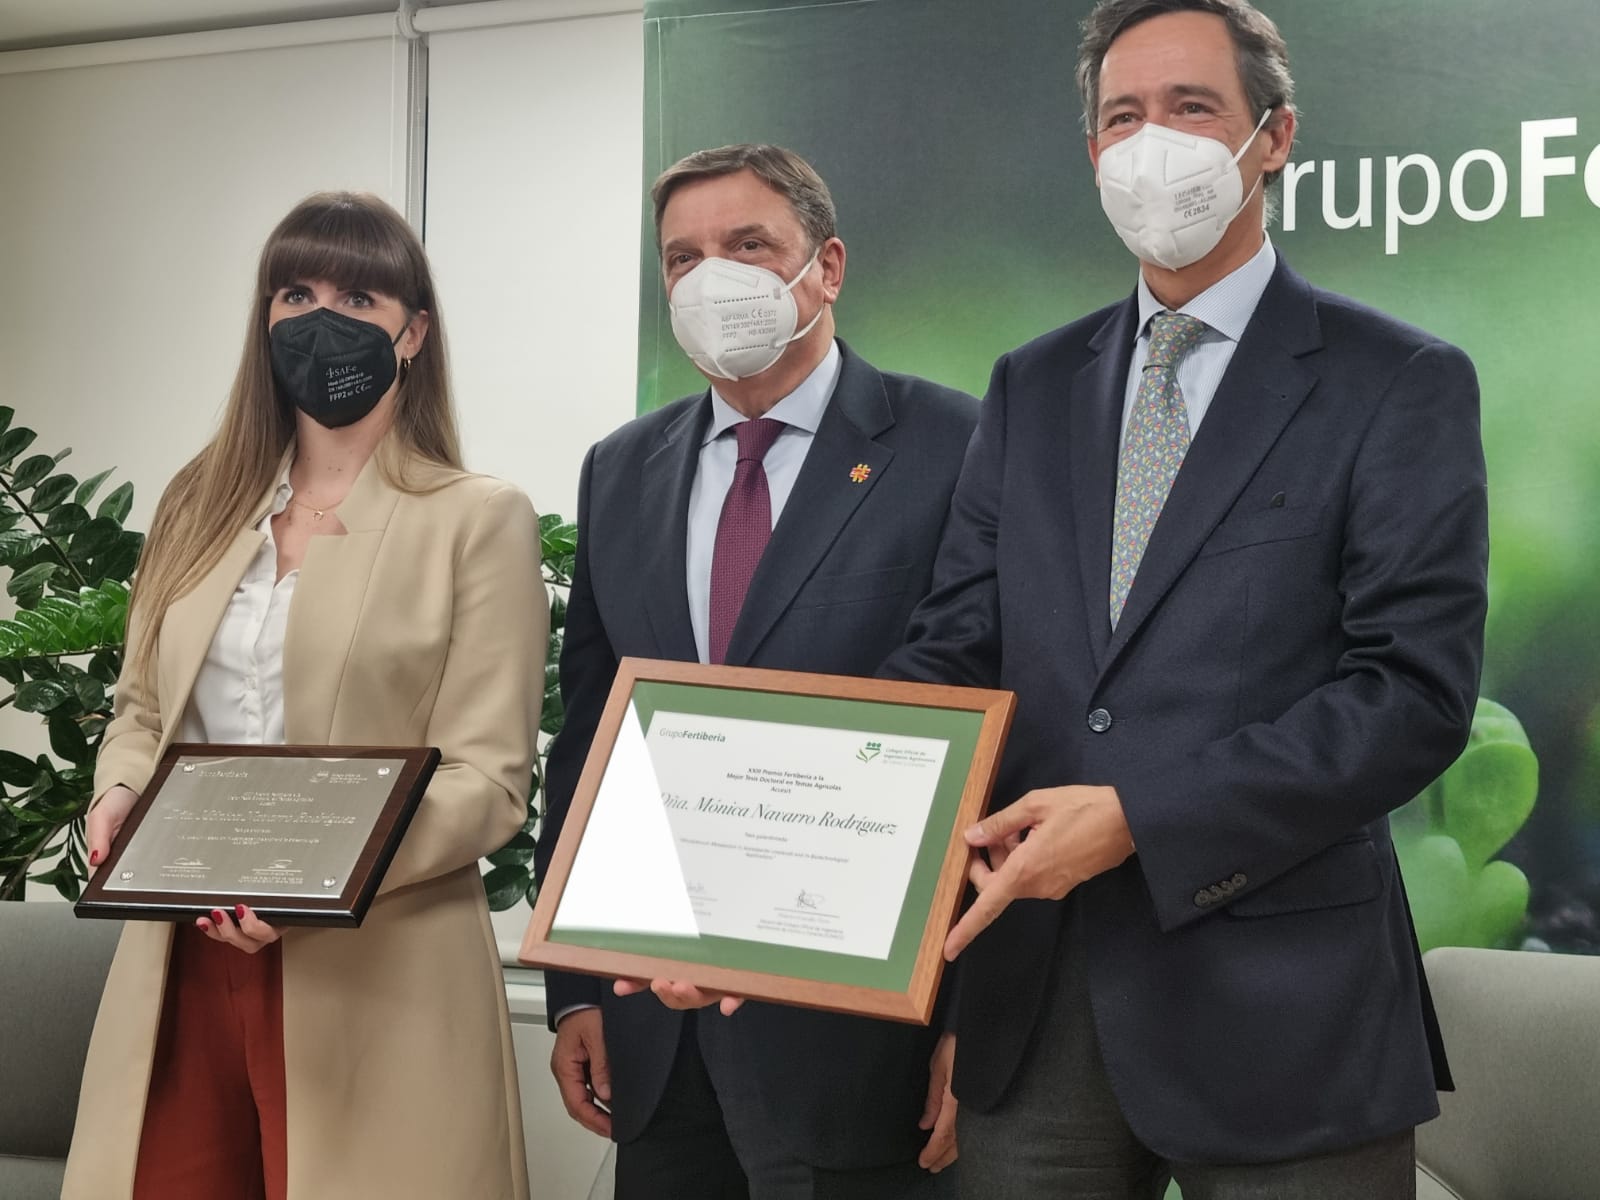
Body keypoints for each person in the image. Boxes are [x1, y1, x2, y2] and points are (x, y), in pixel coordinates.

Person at [883, 2, 1489, 1196]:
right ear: (1092, 152)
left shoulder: (1396, 380)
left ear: (1275, 136)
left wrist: (1140, 817)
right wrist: (768, 864)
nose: (1150, 142)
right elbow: (953, 651)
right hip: (1033, 1002)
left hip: (1286, 1015)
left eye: (1191, 107)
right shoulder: (1030, 385)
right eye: (1122, 117)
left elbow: (1409, 695)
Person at [63, 192, 545, 1200]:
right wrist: (118, 792)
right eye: (296, 294)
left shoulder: (477, 519)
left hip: (381, 965)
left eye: (358, 299)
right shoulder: (197, 504)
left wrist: (315, 881)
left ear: (413, 333)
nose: (322, 319)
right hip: (183, 957)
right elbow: (141, 710)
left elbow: (488, 780)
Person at [534, 144, 979, 1200]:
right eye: (682, 259)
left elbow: (989, 742)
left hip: (859, 1043)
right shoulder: (620, 468)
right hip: (652, 1026)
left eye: (748, 246)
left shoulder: (953, 442)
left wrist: (974, 1021)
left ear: (827, 267)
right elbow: (591, 733)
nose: (712, 278)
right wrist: (577, 987)